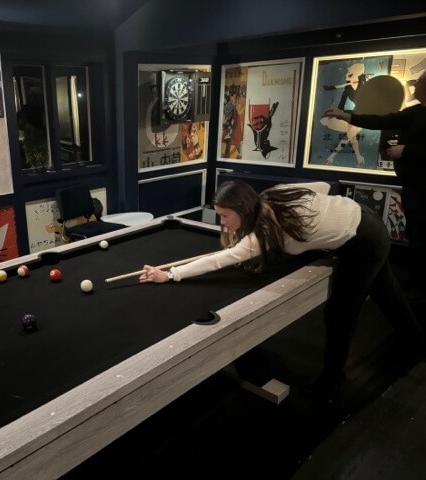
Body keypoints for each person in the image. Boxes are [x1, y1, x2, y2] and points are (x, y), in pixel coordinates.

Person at [140, 180, 424, 401]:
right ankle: (416, 340)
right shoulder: (274, 193)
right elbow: (323, 187)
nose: (222, 223)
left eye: (225, 216)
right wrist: (324, 214)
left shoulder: (264, 231)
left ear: (242, 208)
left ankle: (332, 382)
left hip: (363, 243)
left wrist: (170, 274)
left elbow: (219, 260)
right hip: (366, 219)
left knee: (340, 313)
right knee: (388, 292)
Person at [323, 70, 426, 297]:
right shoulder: (416, 112)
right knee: (415, 236)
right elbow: (383, 120)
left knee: (421, 238)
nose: (414, 86)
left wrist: (406, 151)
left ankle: (419, 289)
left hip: (422, 190)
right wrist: (348, 116)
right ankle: (416, 282)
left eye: (418, 82)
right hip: (413, 187)